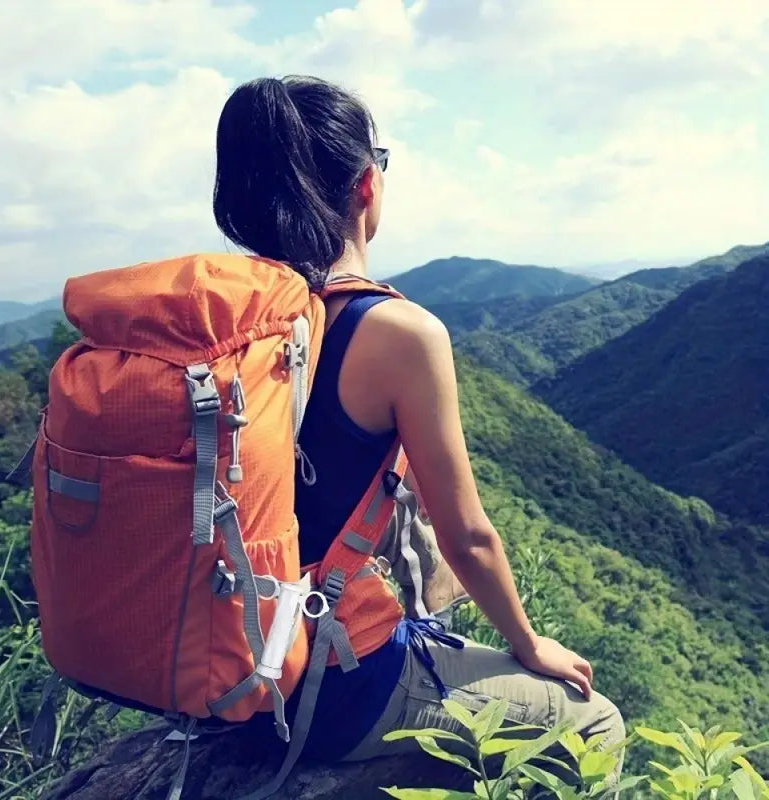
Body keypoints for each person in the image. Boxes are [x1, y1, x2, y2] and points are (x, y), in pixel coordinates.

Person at [212, 75, 625, 781]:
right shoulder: (396, 333)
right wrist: (528, 644)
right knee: (596, 723)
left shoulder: (220, 328)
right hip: (328, 682)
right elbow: (468, 537)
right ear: (366, 187)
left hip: (218, 664)